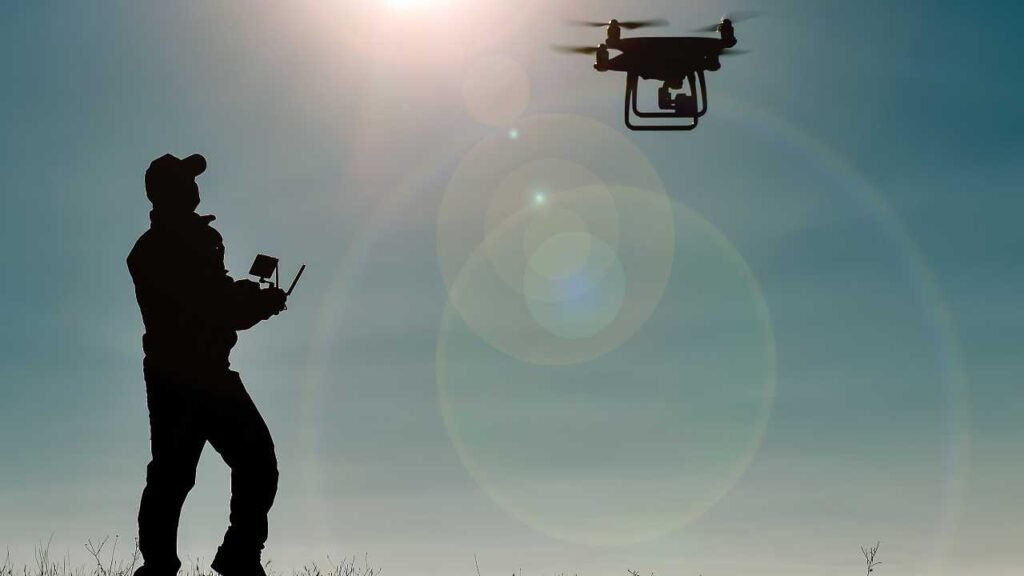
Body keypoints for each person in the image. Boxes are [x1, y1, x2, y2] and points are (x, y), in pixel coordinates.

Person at [127, 153, 287, 576]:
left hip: (187, 372)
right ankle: (213, 560)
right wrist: (260, 303)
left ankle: (205, 560)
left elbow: (213, 296)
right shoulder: (167, 247)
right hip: (190, 375)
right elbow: (211, 303)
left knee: (179, 474)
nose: (197, 186)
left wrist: (251, 301)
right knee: (187, 473)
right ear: (173, 191)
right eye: (188, 179)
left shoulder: (172, 243)